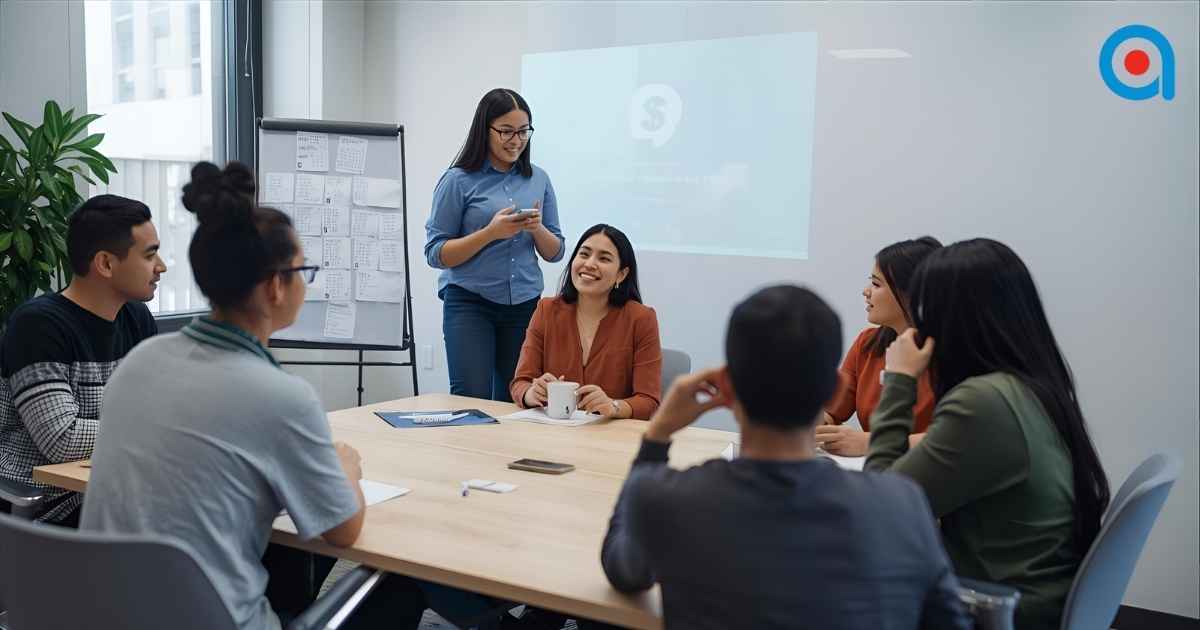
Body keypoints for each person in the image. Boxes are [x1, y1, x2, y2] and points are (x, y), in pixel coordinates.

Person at [80, 162, 426, 629]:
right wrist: (344, 467)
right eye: (303, 270)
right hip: (215, 621)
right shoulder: (280, 395)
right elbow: (344, 531)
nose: (306, 283)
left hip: (106, 614)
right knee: (402, 583)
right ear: (275, 286)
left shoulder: (141, 361)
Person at [601, 285, 969, 630]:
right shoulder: (903, 504)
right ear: (836, 390)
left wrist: (657, 435)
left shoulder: (666, 497)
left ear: (726, 386)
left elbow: (623, 571)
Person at [866, 238, 1111, 630]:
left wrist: (898, 381)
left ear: (950, 319)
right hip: (1033, 596)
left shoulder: (985, 402)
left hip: (996, 607)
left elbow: (881, 506)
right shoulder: (1031, 386)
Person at [0, 194, 164, 524]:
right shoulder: (39, 325)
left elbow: (161, 409)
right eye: (150, 255)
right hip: (45, 506)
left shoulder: (136, 318)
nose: (161, 266)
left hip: (113, 485)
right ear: (105, 264)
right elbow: (63, 439)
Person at [425, 88, 565, 402]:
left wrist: (537, 228)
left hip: (525, 304)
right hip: (470, 303)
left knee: (518, 399)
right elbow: (435, 253)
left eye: (523, 131)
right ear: (485, 129)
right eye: (506, 131)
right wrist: (490, 233)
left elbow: (556, 252)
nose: (516, 140)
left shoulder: (539, 179)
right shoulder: (457, 180)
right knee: (470, 398)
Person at [510, 224, 661, 420]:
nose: (589, 264)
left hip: (611, 432)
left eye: (604, 258)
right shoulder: (546, 310)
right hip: (553, 432)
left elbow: (649, 401)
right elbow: (520, 383)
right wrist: (531, 393)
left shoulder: (641, 318)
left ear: (621, 274)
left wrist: (614, 406)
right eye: (584, 254)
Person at [817, 236, 941, 456]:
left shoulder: (955, 353)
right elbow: (831, 411)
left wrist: (872, 442)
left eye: (876, 284)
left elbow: (957, 438)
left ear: (911, 292)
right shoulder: (867, 343)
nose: (866, 292)